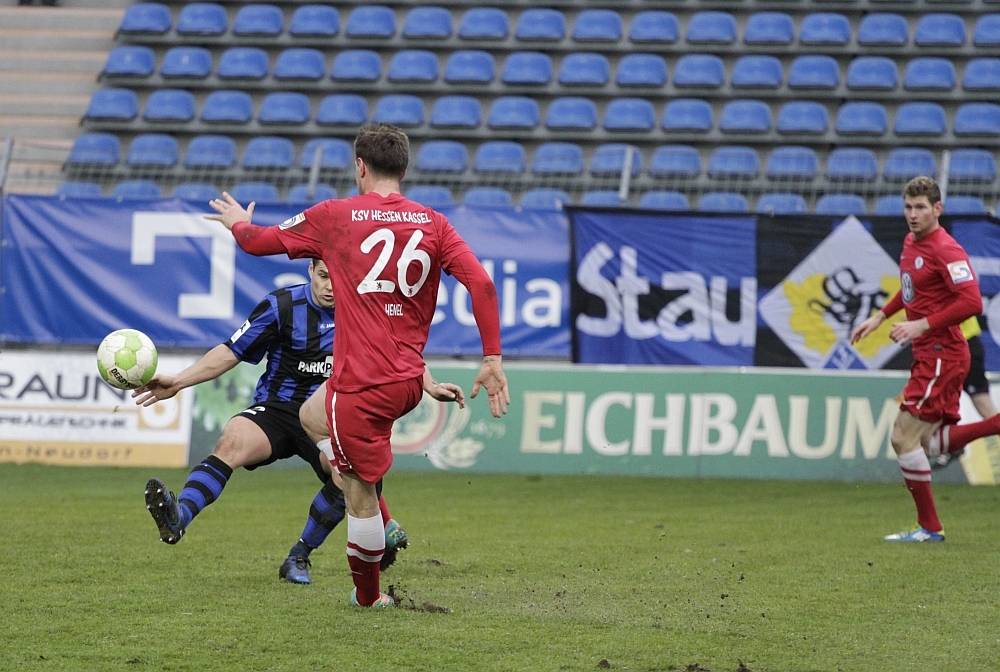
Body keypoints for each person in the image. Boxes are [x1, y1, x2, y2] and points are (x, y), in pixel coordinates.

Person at [206, 122, 509, 607]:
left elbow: (257, 242)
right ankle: (368, 502)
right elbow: (482, 284)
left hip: (360, 386)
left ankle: (368, 596)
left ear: (360, 167)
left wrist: (238, 222)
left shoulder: (335, 215)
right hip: (407, 381)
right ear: (404, 170)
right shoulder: (434, 223)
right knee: (310, 415)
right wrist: (491, 357)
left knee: (359, 493)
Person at [139, 258, 466, 583]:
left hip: (330, 414)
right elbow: (231, 351)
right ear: (310, 270)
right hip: (278, 409)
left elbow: (402, 352)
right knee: (232, 440)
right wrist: (179, 381)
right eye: (323, 275)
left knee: (346, 477)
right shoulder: (282, 305)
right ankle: (179, 516)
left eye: (337, 278)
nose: (330, 286)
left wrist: (431, 386)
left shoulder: (365, 311)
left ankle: (299, 556)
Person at [851, 176, 983, 542]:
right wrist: (880, 316)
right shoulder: (912, 242)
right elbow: (912, 289)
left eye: (921, 207)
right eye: (908, 207)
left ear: (937, 209)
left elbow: (972, 301)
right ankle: (929, 526)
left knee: (901, 437)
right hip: (931, 353)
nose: (913, 214)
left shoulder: (946, 249)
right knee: (928, 443)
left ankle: (929, 527)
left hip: (942, 354)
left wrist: (921, 325)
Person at [932, 316, 999, 468]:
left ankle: (952, 445)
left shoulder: (954, 301)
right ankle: (952, 445)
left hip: (964, 346)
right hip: (949, 349)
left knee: (983, 405)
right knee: (939, 399)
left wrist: (920, 323)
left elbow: (967, 307)